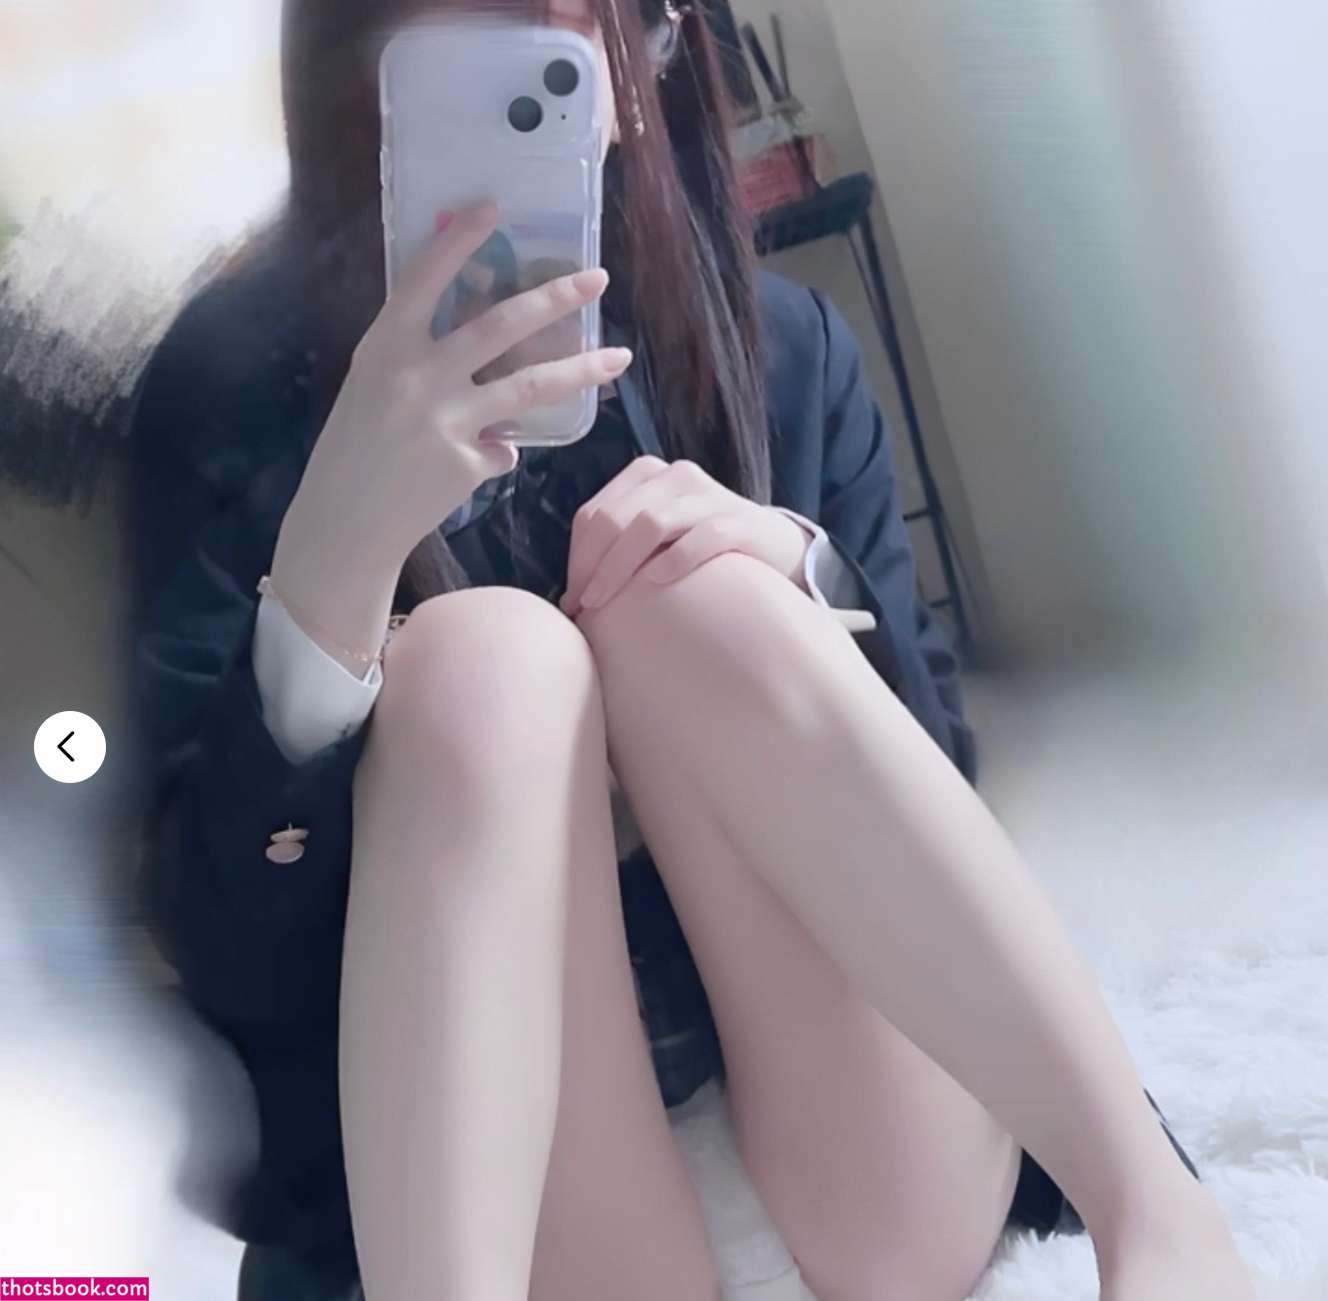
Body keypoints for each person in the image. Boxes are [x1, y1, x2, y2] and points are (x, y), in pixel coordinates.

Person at [128, 1, 1257, 1299]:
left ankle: (1159, 1217)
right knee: (486, 663)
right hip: (524, 1187)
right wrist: (329, 576)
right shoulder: (231, 388)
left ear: (646, 56)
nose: (545, 78)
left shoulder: (779, 348)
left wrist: (798, 570)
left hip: (869, 1158)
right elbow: (225, 954)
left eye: (566, 46)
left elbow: (938, 786)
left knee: (702, 590)